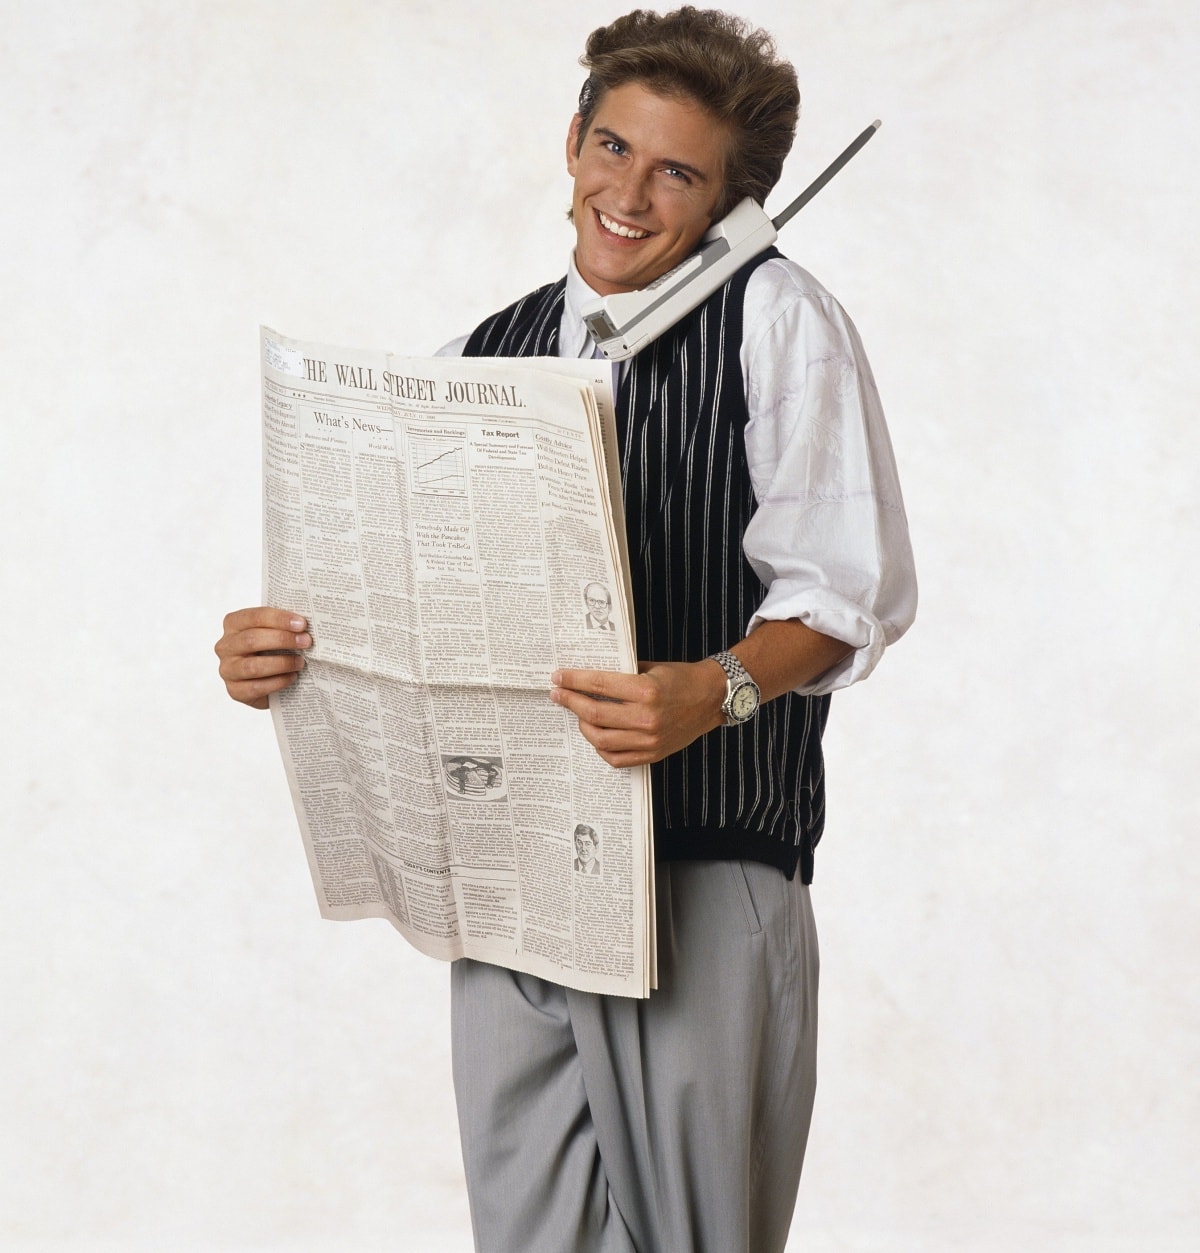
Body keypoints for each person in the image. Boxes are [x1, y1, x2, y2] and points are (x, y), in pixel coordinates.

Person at [215, 8, 916, 1251]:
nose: (628, 194)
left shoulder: (777, 317)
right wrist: (277, 654)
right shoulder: (476, 356)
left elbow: (846, 595)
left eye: (677, 172)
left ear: (731, 200)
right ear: (572, 139)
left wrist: (719, 689)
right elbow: (402, 605)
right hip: (511, 893)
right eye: (611, 146)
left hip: (704, 872)